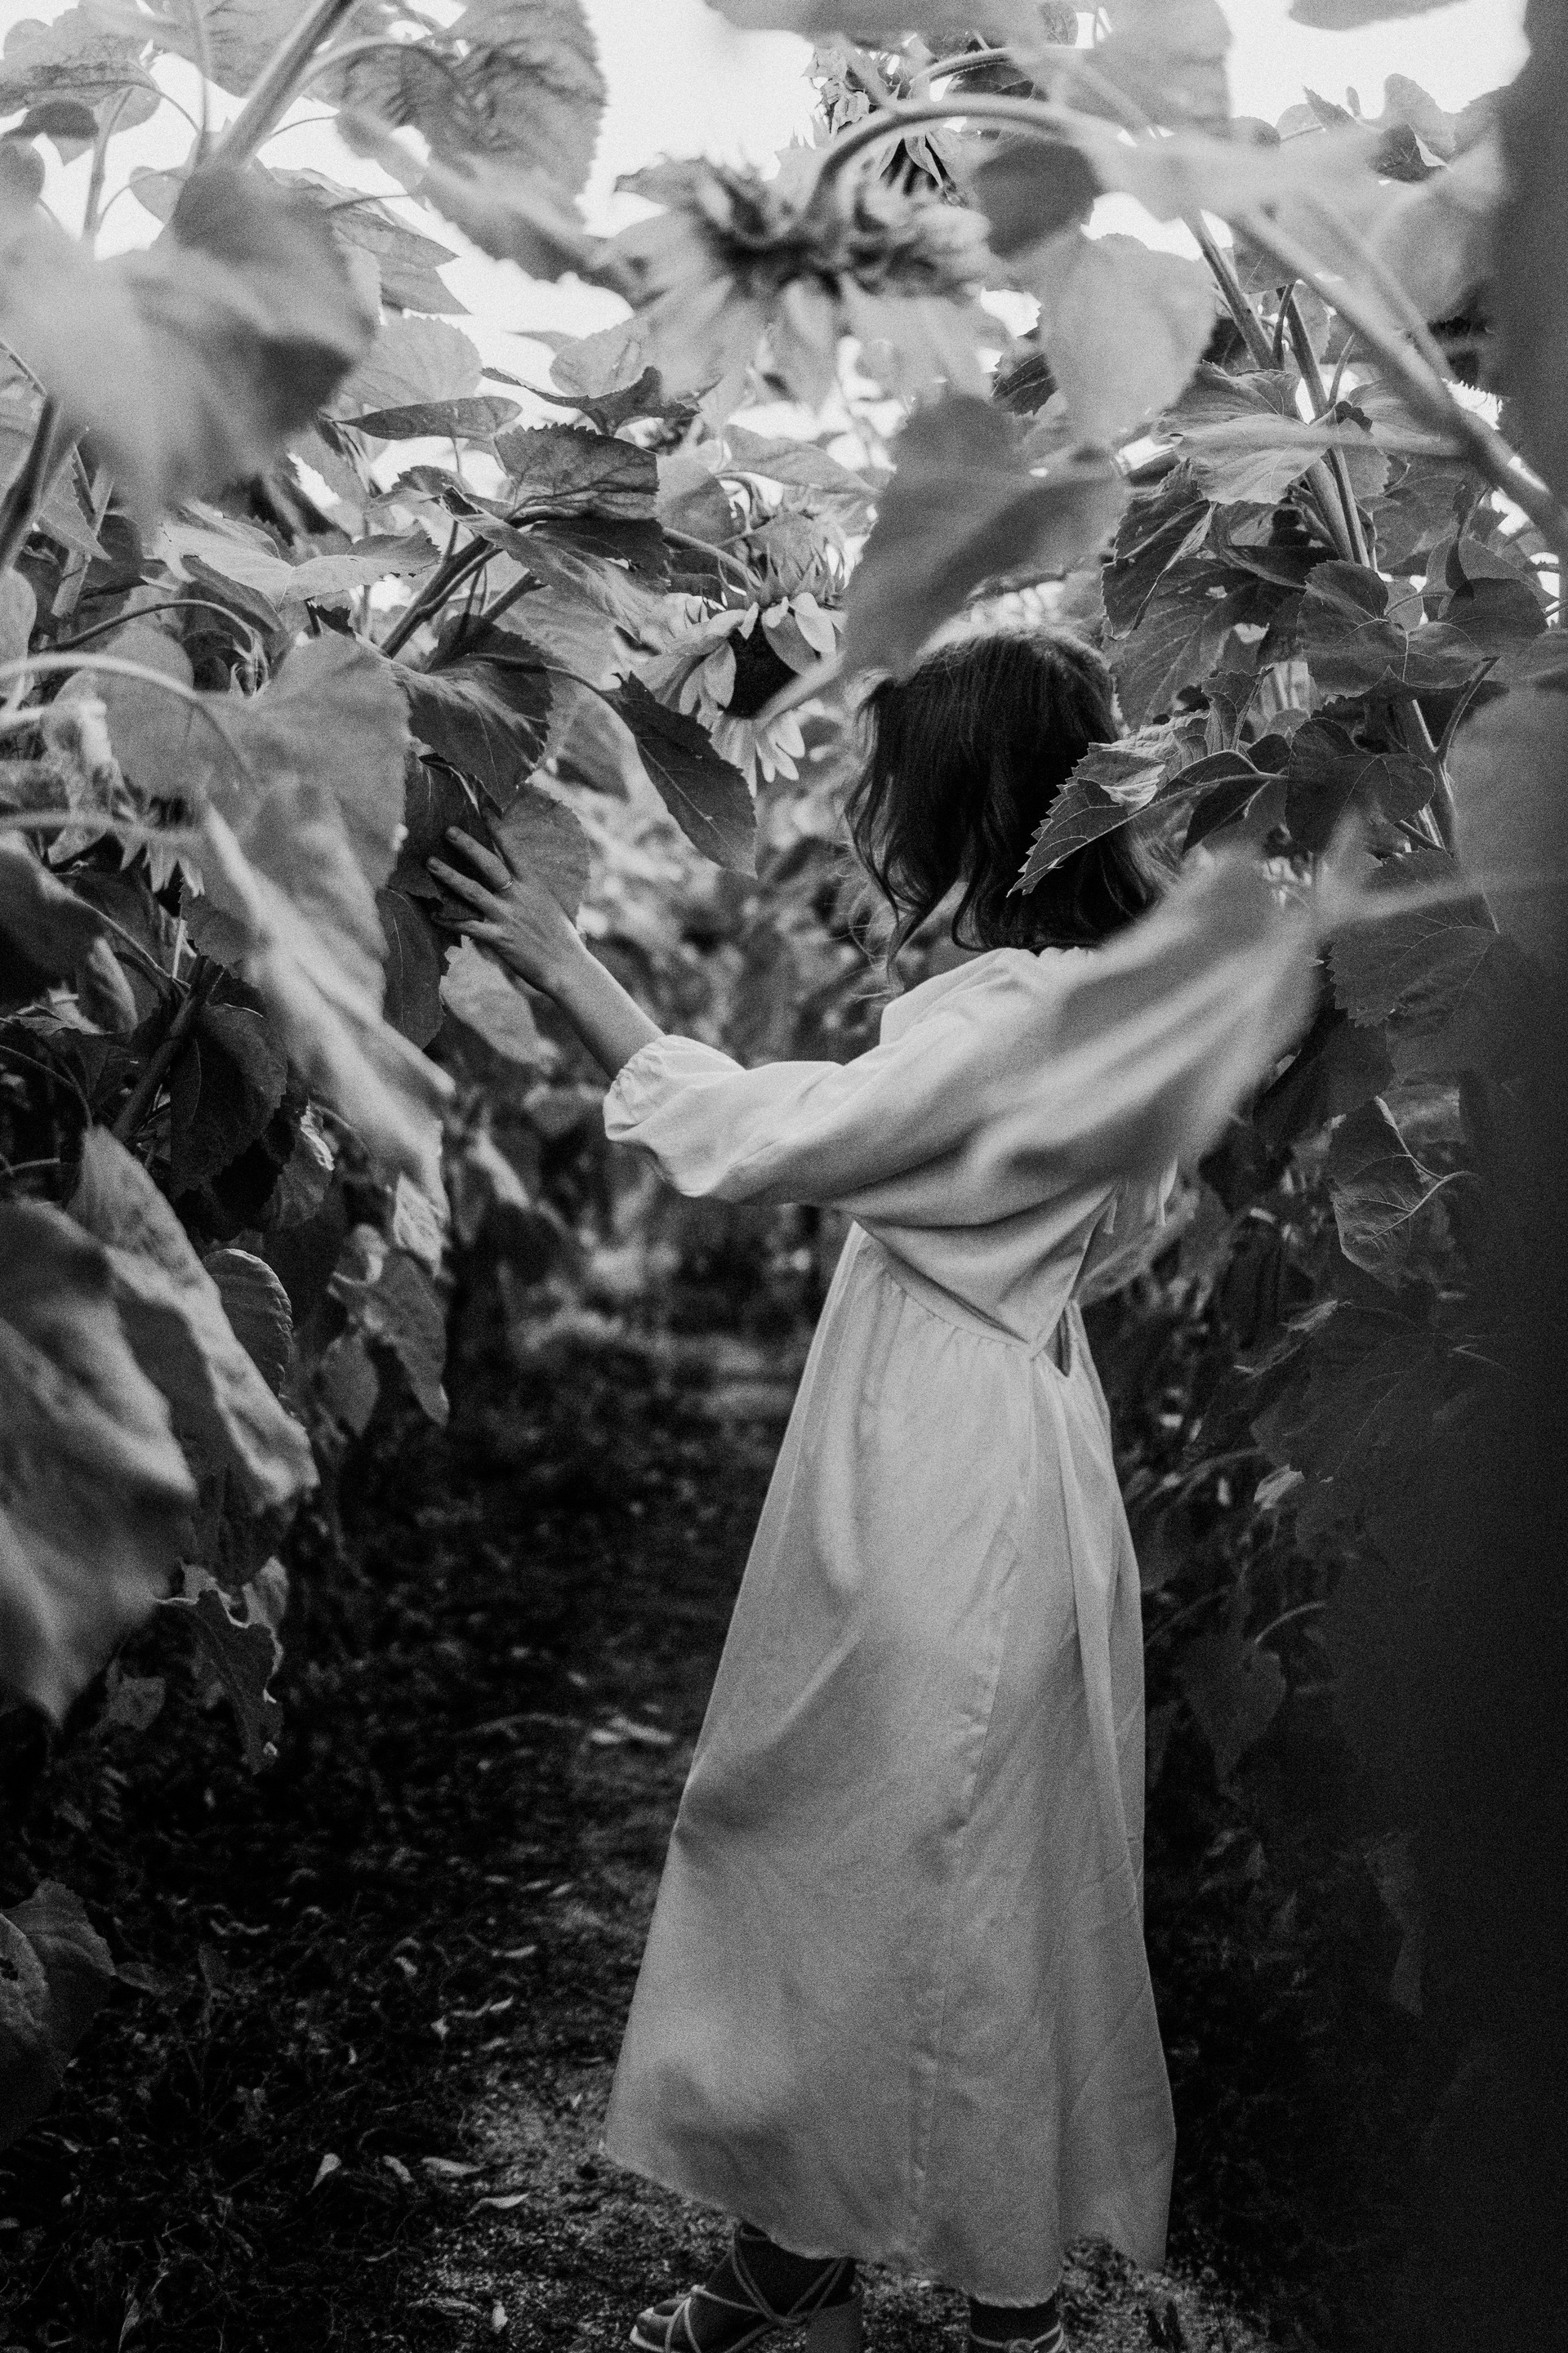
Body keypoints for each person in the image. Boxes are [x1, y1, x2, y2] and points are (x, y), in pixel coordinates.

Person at [426, 631, 1277, 2353]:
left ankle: (975, 2302)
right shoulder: (1102, 995)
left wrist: (563, 963)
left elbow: (777, 1139)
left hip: (941, 1472)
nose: (883, 820)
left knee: (902, 1853)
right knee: (909, 1849)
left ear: (978, 796)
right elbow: (1093, 1228)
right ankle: (821, 2268)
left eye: (907, 786)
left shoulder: (1027, 1010)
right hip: (997, 1429)